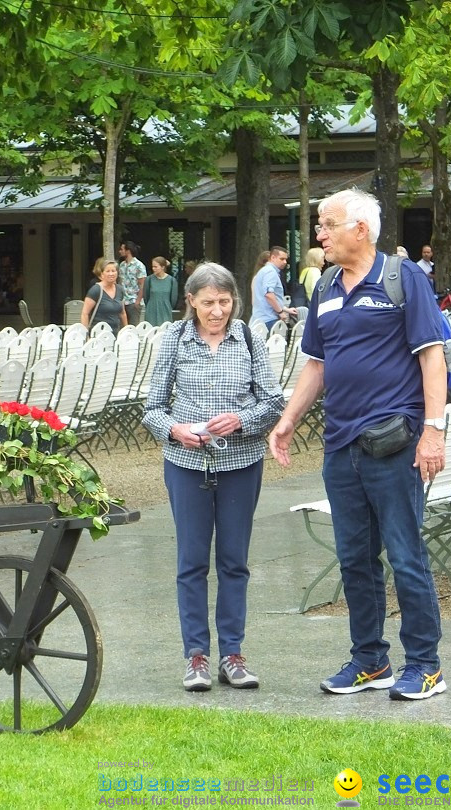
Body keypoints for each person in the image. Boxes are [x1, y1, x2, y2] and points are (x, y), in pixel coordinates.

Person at [268, 188, 448, 701]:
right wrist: (287, 420)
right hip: (341, 444)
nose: (318, 234)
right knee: (354, 558)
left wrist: (433, 431)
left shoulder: (402, 276)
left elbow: (431, 357)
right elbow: (317, 365)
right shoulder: (324, 285)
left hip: (393, 441)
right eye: (319, 225)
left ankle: (426, 666)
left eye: (327, 224)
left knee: (406, 554)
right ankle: (370, 660)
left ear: (360, 230)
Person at [143, 263, 284, 692]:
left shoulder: (247, 338)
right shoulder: (174, 339)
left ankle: (233, 654)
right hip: (186, 465)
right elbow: (152, 407)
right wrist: (174, 430)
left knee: (234, 561)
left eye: (224, 302)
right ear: (191, 302)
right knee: (191, 562)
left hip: (241, 464)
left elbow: (274, 401)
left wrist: (240, 421)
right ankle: (196, 656)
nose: (217, 311)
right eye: (208, 303)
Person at [250, 246, 296, 331]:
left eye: (286, 259)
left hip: (261, 318)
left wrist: (286, 310)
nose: (285, 262)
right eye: (281, 259)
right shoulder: (270, 272)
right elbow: (269, 295)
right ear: (273, 257)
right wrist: (280, 312)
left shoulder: (264, 271)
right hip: (269, 318)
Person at [81, 257, 128, 333]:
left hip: (115, 333)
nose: (111, 274)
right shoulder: (96, 290)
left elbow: (122, 313)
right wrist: (86, 334)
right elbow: (85, 313)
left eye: (113, 271)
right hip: (98, 333)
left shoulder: (120, 290)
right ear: (102, 274)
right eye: (108, 271)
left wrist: (126, 330)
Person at [142, 256, 179, 326]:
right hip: (151, 310)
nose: (153, 269)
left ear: (162, 267)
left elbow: (173, 299)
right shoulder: (149, 279)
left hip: (165, 310)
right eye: (153, 267)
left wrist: (168, 306)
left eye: (156, 267)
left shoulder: (171, 280)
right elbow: (146, 297)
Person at [117, 241, 147, 326]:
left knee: (133, 326)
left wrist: (137, 301)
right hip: (123, 301)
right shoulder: (122, 265)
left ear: (128, 251)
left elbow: (142, 285)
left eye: (122, 249)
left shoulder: (139, 265)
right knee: (122, 326)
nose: (120, 251)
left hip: (133, 300)